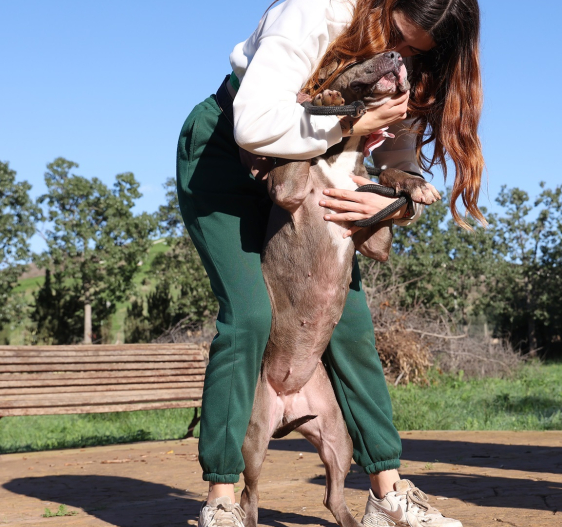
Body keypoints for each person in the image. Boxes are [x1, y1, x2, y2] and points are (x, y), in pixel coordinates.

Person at [175, 0, 484, 525]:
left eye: (417, 53)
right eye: (399, 36)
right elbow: (256, 126)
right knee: (249, 315)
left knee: (352, 327)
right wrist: (354, 123)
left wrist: (391, 202)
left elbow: (395, 158)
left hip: (317, 165)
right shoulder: (316, 10)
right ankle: (222, 501)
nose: (401, 57)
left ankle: (387, 495)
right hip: (228, 152)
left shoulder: (409, 68)